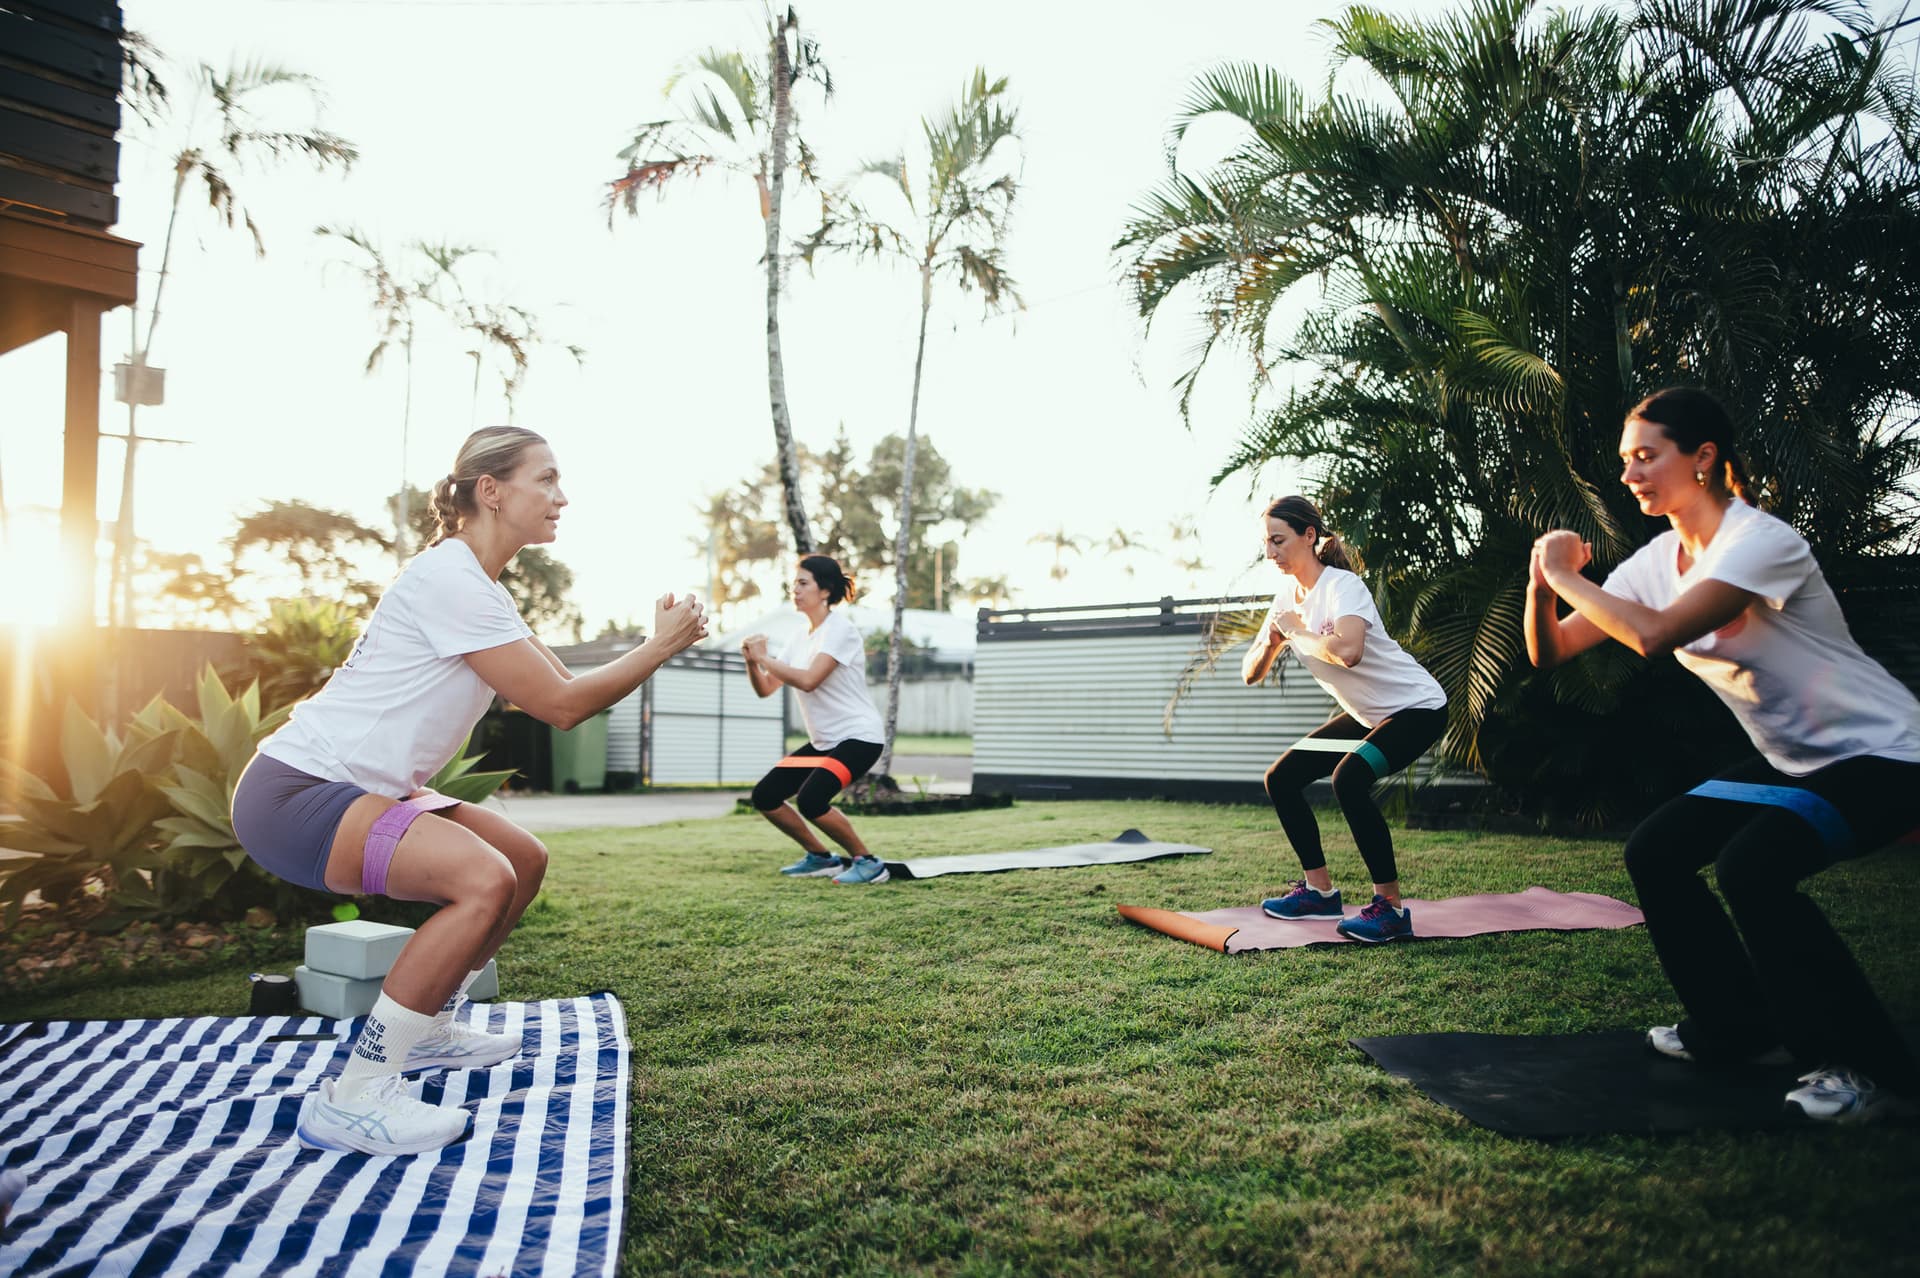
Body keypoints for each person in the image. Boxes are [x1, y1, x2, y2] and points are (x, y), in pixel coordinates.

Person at [231, 426, 708, 1155]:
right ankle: (356, 1096)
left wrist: (650, 644)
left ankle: (425, 1030)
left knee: (521, 858)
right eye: (545, 479)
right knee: (482, 880)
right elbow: (562, 708)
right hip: (298, 793)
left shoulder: (475, 587)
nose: (561, 495)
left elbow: (557, 687)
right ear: (491, 490)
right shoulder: (448, 581)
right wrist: (660, 646)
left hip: (361, 788)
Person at [1527, 386, 1920, 1124]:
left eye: (1648, 456)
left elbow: (1654, 635)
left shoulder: (1760, 541)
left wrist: (1565, 577)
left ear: (1703, 458)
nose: (1632, 474)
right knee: (1659, 850)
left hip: (1886, 755)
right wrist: (1539, 580)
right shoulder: (1656, 560)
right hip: (1792, 758)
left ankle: (1869, 1070)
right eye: (1625, 461)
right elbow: (1552, 650)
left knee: (1755, 867)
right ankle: (1739, 1031)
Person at [1243, 496, 1449, 941]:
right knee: (1282, 778)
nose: (1271, 553)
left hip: (1416, 708)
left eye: (1279, 541)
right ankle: (1319, 892)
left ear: (1309, 536)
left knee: (1348, 778)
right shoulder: (1283, 600)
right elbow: (1250, 673)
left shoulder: (1341, 587)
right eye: (1267, 543)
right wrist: (1273, 641)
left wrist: (1297, 630)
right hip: (1366, 715)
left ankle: (1391, 909)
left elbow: (1349, 652)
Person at [740, 555, 889, 885]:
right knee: (766, 796)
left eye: (803, 583)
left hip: (858, 738)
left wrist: (765, 657)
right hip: (825, 742)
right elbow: (766, 688)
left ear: (826, 590)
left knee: (811, 800)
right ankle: (822, 858)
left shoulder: (841, 631)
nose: (795, 589)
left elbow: (809, 680)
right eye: (794, 583)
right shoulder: (799, 637)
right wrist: (754, 663)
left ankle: (870, 863)